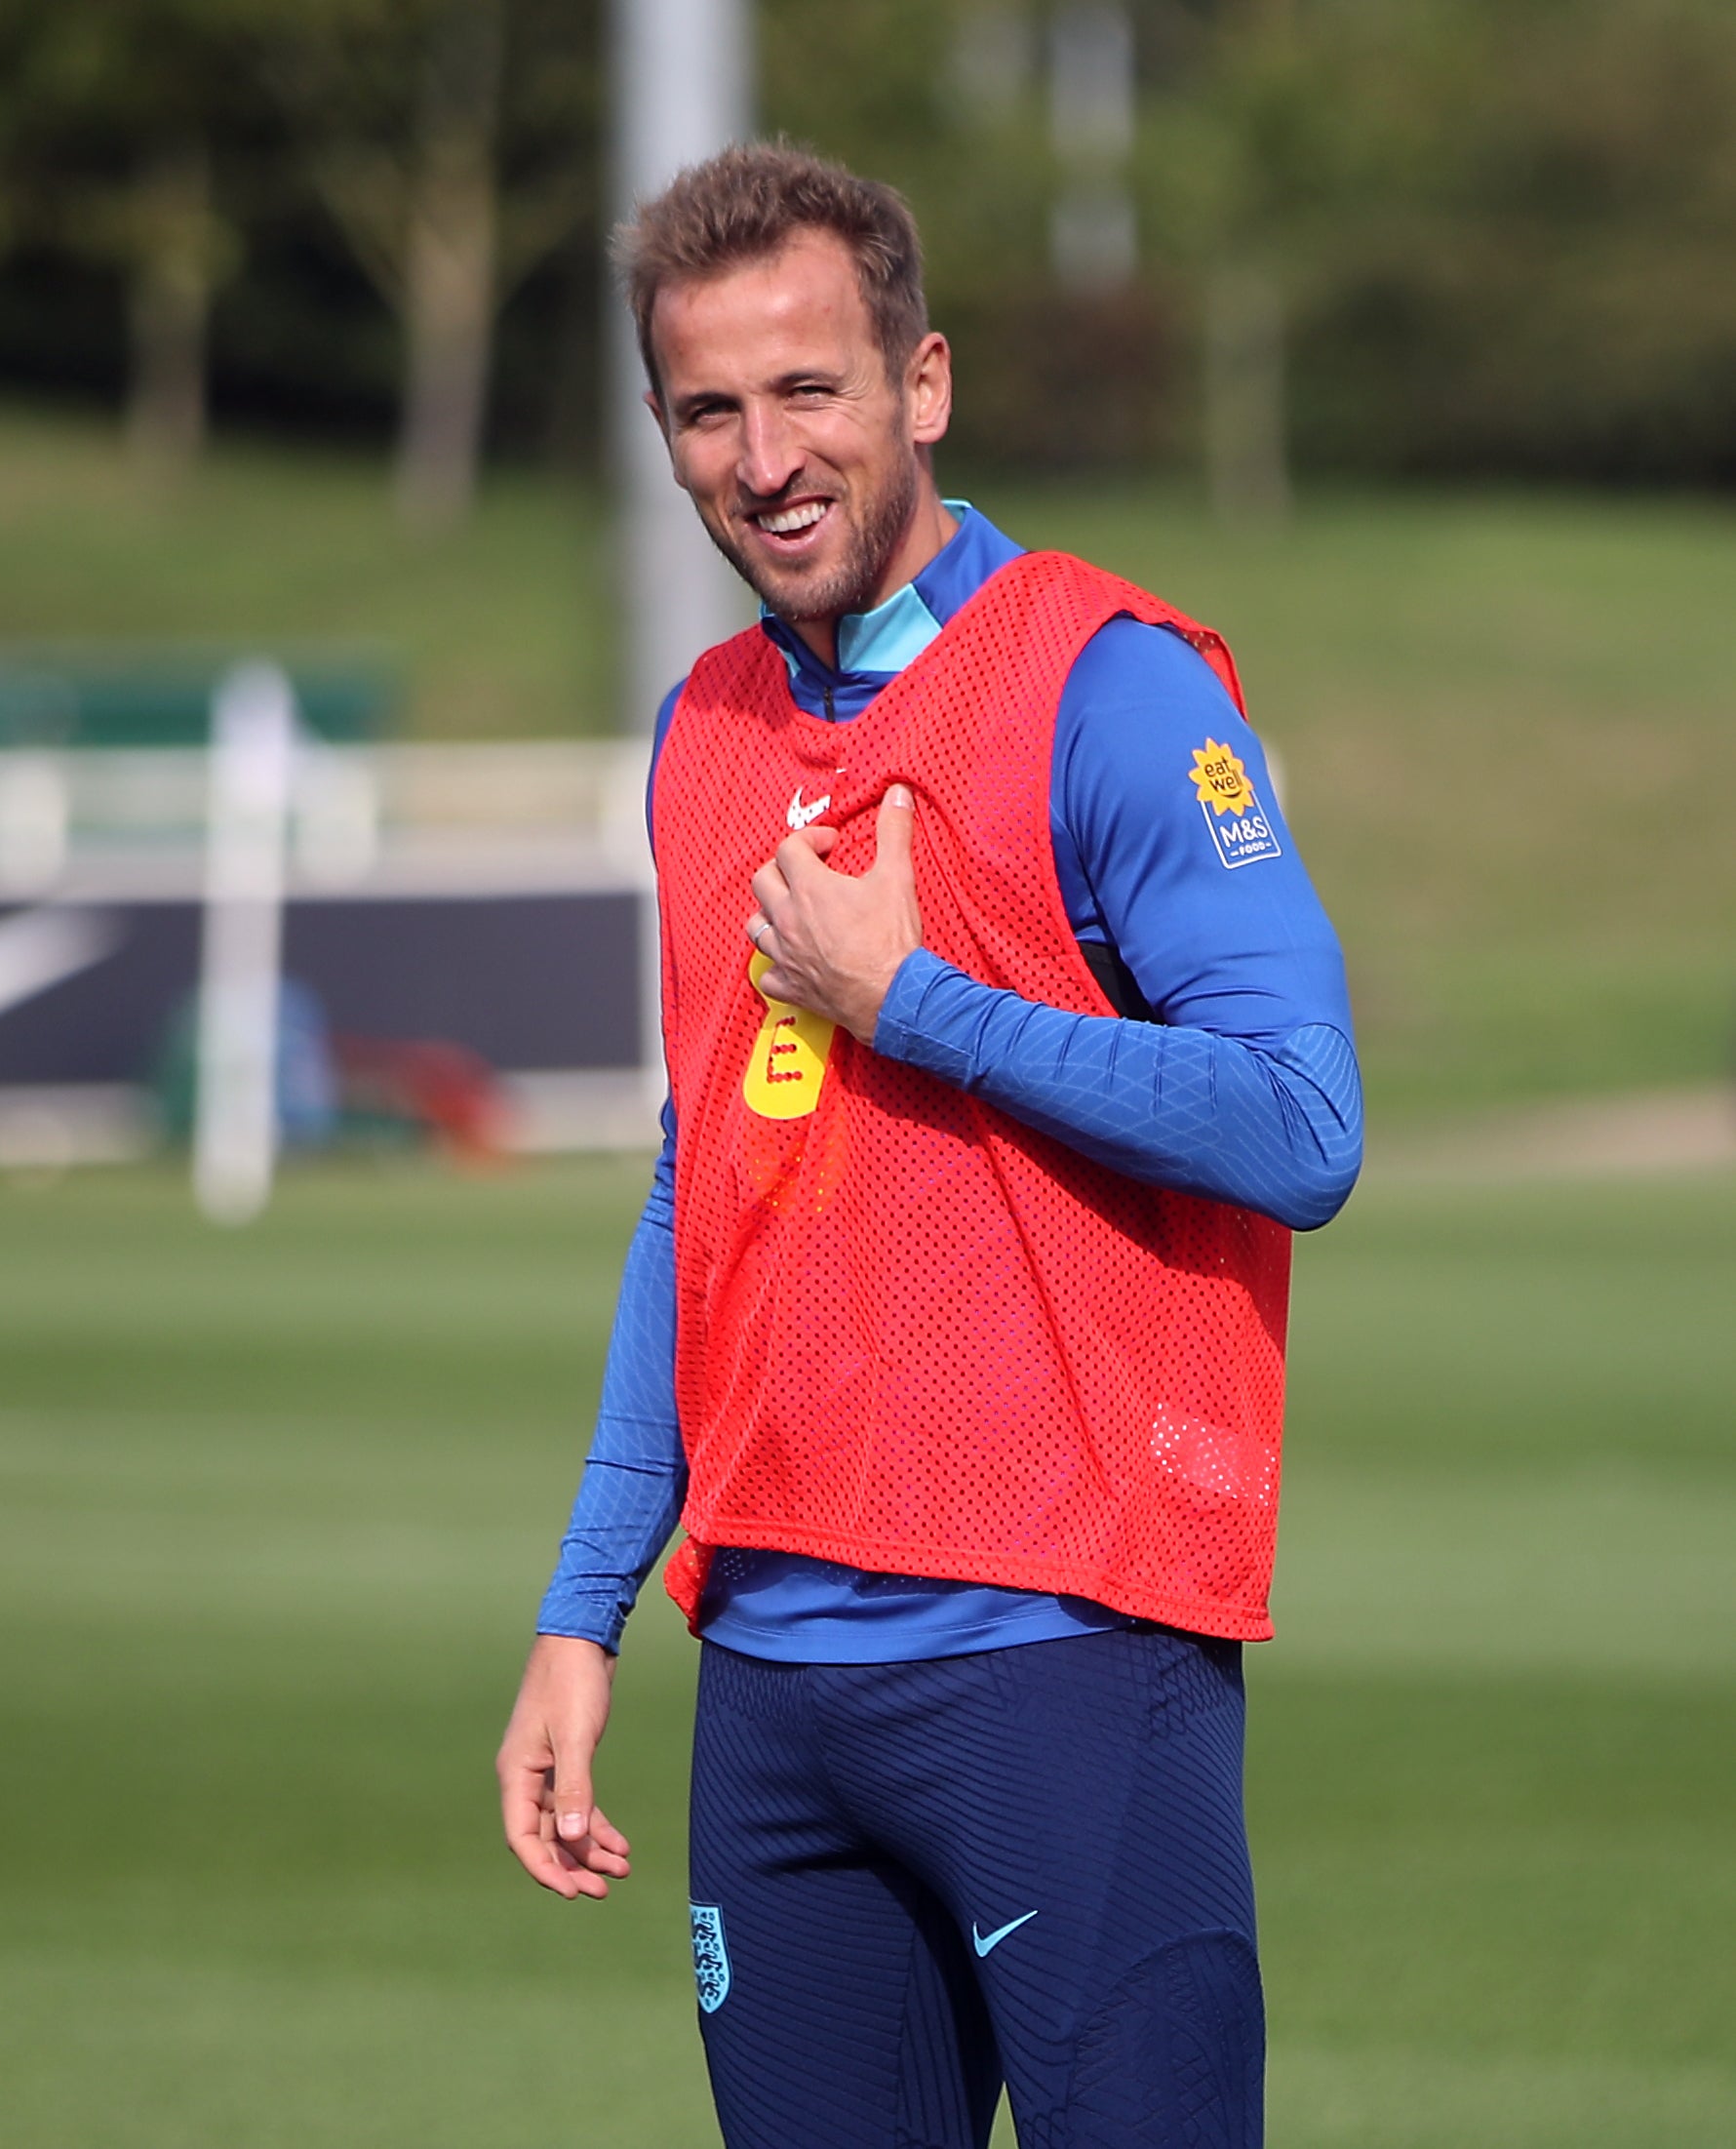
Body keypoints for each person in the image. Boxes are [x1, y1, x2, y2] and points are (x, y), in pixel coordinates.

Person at [496, 141, 1361, 2149]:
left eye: (808, 388)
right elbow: (689, 1180)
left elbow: (1303, 1123)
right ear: (658, 430)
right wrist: (580, 1601)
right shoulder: (699, 734)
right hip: (774, 1686)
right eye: (707, 409)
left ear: (921, 384)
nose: (761, 453)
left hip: (1058, 1655)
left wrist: (921, 1006)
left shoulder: (1107, 689)